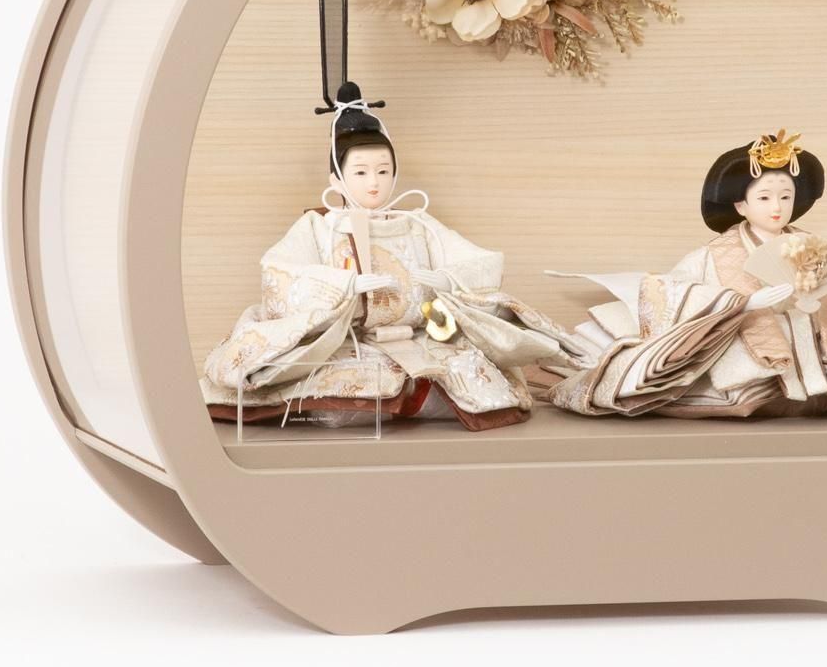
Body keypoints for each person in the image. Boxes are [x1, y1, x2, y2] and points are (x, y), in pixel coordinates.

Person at [202, 81, 590, 432]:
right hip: (349, 341)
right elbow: (279, 271)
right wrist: (345, 286)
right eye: (361, 173)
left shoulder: (418, 224)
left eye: (383, 171)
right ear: (336, 178)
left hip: (420, 336)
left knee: (467, 382)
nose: (374, 183)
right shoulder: (320, 227)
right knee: (332, 401)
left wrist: (448, 280)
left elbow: (481, 261)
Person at [552, 129, 827, 419]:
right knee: (740, 392)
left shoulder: (815, 246)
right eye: (764, 197)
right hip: (750, 352)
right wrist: (739, 304)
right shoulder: (713, 255)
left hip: (822, 354)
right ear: (740, 205)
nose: (777, 207)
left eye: (785, 196)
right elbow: (671, 291)